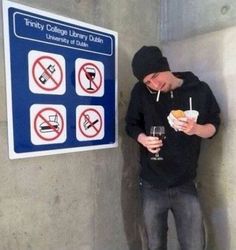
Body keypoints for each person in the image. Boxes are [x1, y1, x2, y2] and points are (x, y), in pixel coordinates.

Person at [125, 46, 220, 250]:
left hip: (186, 183)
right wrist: (143, 139)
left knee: (194, 244)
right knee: (154, 245)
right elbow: (131, 124)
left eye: (155, 76)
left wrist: (196, 129)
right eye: (148, 82)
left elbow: (214, 126)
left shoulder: (199, 89)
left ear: (165, 66)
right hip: (151, 184)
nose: (154, 84)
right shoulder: (141, 92)